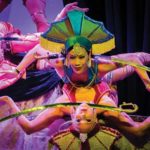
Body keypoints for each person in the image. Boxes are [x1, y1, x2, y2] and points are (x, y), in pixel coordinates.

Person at [0, 10, 150, 147]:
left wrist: (16, 74)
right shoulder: (105, 105)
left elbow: (29, 128)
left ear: (72, 116)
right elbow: (138, 133)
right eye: (87, 119)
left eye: (79, 119)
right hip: (103, 78)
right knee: (139, 60)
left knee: (140, 58)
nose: (83, 113)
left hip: (93, 74)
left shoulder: (62, 101)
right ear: (95, 117)